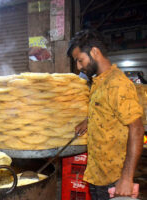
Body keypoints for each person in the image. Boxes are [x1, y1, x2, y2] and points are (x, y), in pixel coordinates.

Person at [67, 29, 144, 199]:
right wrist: (89, 121)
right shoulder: (99, 82)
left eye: (80, 60)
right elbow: (107, 110)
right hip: (97, 173)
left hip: (114, 177)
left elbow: (137, 129)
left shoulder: (117, 84)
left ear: (95, 52)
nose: (79, 67)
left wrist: (126, 177)